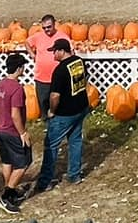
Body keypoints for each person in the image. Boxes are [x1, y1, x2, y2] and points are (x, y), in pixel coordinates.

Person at [33, 37, 90, 192]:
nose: (53, 55)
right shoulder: (79, 61)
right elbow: (84, 79)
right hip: (81, 108)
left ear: (61, 51)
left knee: (51, 145)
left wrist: (51, 111)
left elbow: (55, 96)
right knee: (75, 140)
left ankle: (45, 181)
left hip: (65, 113)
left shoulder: (59, 71)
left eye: (54, 52)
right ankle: (74, 174)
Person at [0, 53, 32, 214]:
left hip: (1, 130)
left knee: (7, 162)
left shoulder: (1, 84)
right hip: (13, 132)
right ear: (19, 68)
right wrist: (22, 133)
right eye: (23, 67)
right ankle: (6, 196)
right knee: (23, 163)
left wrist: (0, 119)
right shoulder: (17, 88)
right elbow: (15, 114)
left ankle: (9, 189)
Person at [28, 14, 61, 106]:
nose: (47, 30)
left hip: (57, 78)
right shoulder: (38, 36)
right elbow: (27, 42)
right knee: (43, 103)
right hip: (41, 78)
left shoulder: (62, 36)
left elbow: (70, 52)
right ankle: (45, 118)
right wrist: (32, 54)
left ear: (54, 24)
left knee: (57, 103)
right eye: (44, 28)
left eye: (49, 27)